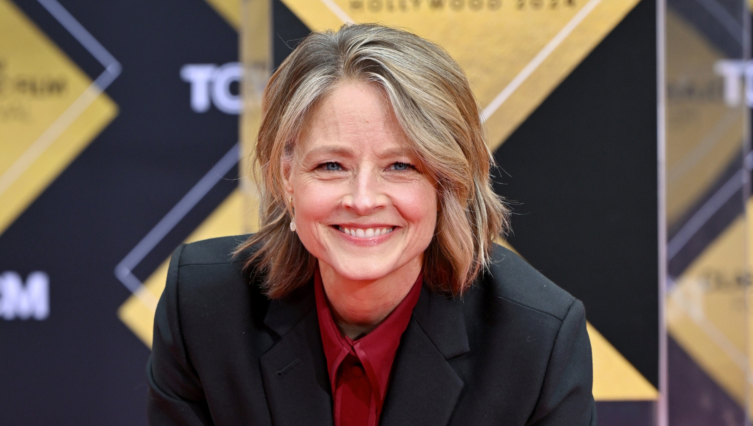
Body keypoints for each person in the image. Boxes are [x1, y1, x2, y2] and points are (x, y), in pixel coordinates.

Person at [147, 23, 595, 426]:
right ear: (287, 176)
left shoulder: (535, 340)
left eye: (400, 166)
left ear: (448, 183)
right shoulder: (204, 307)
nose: (362, 200)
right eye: (330, 165)